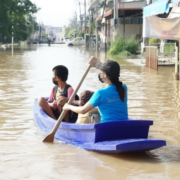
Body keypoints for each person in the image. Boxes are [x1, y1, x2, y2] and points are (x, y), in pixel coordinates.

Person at [63, 57, 128, 123]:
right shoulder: (124, 87)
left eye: (101, 73)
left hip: (107, 130)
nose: (100, 74)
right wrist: (97, 64)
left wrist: (69, 106)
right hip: (123, 129)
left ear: (105, 74)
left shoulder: (100, 93)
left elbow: (83, 110)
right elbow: (111, 71)